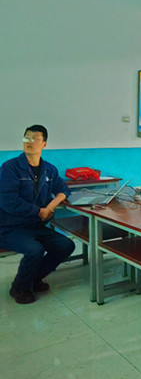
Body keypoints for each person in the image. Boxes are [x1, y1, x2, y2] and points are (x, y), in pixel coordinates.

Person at [0, 125, 75, 304]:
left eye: (36, 138)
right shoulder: (10, 168)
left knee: (66, 245)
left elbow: (63, 189)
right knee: (35, 250)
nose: (30, 142)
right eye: (27, 138)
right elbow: (8, 201)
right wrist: (39, 211)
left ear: (44, 144)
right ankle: (19, 288)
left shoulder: (49, 169)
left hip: (36, 226)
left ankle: (33, 279)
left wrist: (51, 206)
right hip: (10, 228)